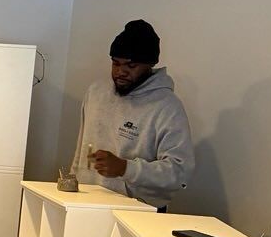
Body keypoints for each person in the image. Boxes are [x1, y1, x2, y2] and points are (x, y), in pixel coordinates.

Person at [72, 19, 193, 210]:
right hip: (87, 202)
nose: (121, 72)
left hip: (139, 212)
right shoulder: (96, 92)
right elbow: (82, 147)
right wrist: (73, 180)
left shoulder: (167, 107)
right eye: (115, 63)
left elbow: (179, 173)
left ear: (149, 65)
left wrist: (125, 168)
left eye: (131, 66)